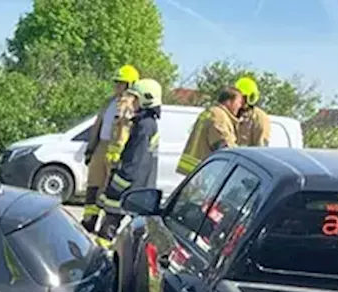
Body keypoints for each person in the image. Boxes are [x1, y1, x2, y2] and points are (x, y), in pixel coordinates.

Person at [98, 79, 162, 246]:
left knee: (107, 231)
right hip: (137, 189)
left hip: (129, 189)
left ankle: (100, 261)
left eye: (134, 98)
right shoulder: (146, 123)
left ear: (145, 99)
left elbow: (134, 162)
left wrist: (116, 186)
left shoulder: (144, 126)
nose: (130, 101)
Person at [81, 65, 138, 234]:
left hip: (116, 152)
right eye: (116, 82)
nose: (117, 86)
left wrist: (118, 154)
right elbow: (98, 125)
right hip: (101, 145)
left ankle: (106, 227)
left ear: (130, 84)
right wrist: (91, 148)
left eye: (121, 83)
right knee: (93, 185)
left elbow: (124, 131)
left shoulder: (131, 105)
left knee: (109, 190)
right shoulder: (110, 101)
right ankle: (89, 220)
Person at [177, 86, 243, 176]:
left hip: (196, 168)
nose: (240, 106)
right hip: (206, 171)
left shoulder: (209, 112)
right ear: (228, 102)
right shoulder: (219, 116)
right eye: (238, 102)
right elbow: (223, 145)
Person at [234, 76, 270, 147]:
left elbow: (261, 146)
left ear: (250, 98)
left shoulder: (259, 117)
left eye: (243, 97)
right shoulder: (232, 115)